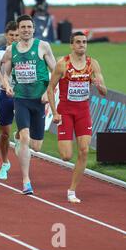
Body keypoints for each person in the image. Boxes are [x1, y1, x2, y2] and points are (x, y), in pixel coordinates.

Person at [47, 31, 107, 203]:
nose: (82, 45)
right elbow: (51, 88)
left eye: (84, 42)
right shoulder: (62, 64)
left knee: (84, 150)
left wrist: (99, 85)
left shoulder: (92, 64)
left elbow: (104, 92)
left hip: (83, 112)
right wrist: (55, 112)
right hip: (65, 111)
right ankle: (71, 184)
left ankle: (72, 190)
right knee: (66, 156)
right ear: (72, 45)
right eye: (78, 42)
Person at [2, 14, 56, 195]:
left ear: (34, 29)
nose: (25, 30)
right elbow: (5, 72)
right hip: (21, 99)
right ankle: (26, 181)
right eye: (22, 27)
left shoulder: (42, 46)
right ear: (18, 29)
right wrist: (8, 85)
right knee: (26, 138)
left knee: (36, 146)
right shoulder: (11, 50)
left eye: (28, 27)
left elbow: (55, 73)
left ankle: (17, 136)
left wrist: (48, 93)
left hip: (39, 101)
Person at [0, 21, 19, 180]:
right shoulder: (1, 52)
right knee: (4, 133)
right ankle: (5, 163)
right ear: (6, 35)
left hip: (23, 95)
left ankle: (19, 137)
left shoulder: (25, 52)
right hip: (5, 94)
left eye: (17, 35)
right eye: (12, 35)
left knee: (25, 129)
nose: (14, 38)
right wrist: (3, 83)